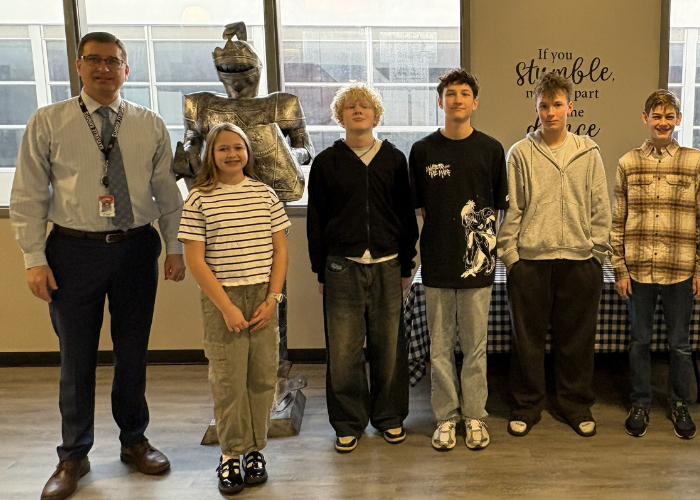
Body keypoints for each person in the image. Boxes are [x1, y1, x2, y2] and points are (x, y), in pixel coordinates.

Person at [10, 31, 185, 500]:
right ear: (79, 65)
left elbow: (167, 191)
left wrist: (174, 247)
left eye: (114, 61)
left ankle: (134, 441)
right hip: (72, 251)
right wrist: (33, 259)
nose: (105, 69)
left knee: (132, 351)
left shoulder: (149, 123)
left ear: (127, 69)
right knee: (76, 357)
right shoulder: (48, 121)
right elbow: (27, 195)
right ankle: (73, 455)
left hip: (135, 248)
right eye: (95, 60)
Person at [497, 71, 611, 438]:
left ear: (570, 107)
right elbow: (511, 209)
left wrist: (596, 252)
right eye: (544, 106)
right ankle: (528, 405)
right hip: (530, 262)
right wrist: (510, 256)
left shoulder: (588, 152)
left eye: (557, 105)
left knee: (576, 340)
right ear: (537, 108)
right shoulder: (521, 153)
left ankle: (574, 405)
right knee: (526, 340)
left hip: (579, 261)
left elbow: (600, 206)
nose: (551, 113)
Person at [306, 82, 419, 453]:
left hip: (388, 264)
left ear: (375, 114)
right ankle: (348, 422)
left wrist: (408, 261)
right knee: (343, 352)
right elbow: (316, 221)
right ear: (340, 116)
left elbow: (405, 215)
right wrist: (321, 271)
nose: (358, 111)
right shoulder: (326, 163)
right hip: (341, 267)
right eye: (350, 106)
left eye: (364, 106)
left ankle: (389, 417)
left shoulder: (393, 159)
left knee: (389, 347)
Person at [179, 123, 289, 494]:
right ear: (211, 154)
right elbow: (195, 260)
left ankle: (255, 449)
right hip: (221, 298)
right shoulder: (199, 199)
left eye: (237, 148)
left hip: (262, 296)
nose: (231, 155)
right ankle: (230, 455)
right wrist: (225, 307)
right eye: (223, 148)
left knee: (260, 379)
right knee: (228, 382)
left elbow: (281, 251)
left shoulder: (265, 195)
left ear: (248, 152)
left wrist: (273, 299)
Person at [409, 69, 507, 451]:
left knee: (475, 345)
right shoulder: (422, 151)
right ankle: (446, 418)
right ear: (441, 102)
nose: (457, 100)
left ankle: (475, 416)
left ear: (475, 102)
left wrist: (481, 252)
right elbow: (421, 210)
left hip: (478, 268)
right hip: (436, 264)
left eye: (465, 94)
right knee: (439, 346)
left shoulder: (491, 149)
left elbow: (497, 210)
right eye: (450, 94)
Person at [610, 89, 700, 439]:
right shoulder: (627, 163)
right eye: (657, 116)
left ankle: (678, 403)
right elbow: (618, 220)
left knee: (680, 344)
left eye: (670, 116)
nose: (663, 122)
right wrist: (619, 268)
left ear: (678, 120)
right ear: (645, 118)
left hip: (680, 269)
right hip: (638, 269)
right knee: (639, 341)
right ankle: (640, 402)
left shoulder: (693, 160)